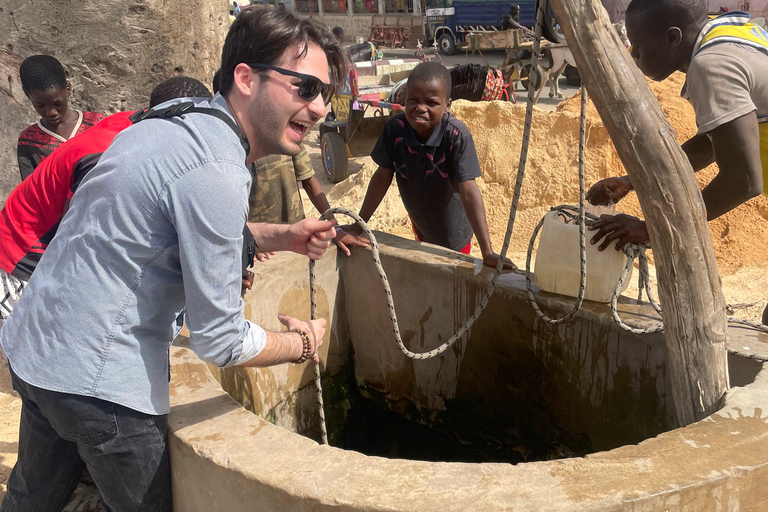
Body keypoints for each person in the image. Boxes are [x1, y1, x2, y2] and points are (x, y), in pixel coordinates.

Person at [0, 7, 346, 511]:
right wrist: (302, 343)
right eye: (306, 88)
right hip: (99, 384)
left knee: (31, 498)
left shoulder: (168, 121)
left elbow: (161, 229)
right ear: (246, 78)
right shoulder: (219, 169)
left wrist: (284, 235)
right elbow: (220, 339)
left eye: (325, 94)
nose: (317, 109)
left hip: (36, 347)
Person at [585, 1, 768, 323]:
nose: (634, 55)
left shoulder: (711, 65)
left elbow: (743, 180)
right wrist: (632, 181)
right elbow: (715, 142)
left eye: (638, 45)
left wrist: (654, 229)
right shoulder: (729, 31)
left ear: (672, 37)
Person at [0, 76, 213, 333]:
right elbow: (78, 234)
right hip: (23, 257)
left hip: (52, 245)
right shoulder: (106, 156)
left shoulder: (138, 120)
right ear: (169, 120)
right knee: (28, 346)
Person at [340, 62, 515, 270]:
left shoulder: (456, 136)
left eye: (431, 103)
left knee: (450, 279)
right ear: (404, 98)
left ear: (447, 105)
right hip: (421, 225)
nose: (421, 108)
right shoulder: (395, 130)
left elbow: (469, 192)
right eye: (413, 100)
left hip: (454, 236)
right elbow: (381, 178)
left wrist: (487, 253)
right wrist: (358, 226)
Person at [212, 68, 365, 257]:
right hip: (262, 247)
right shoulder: (224, 150)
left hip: (295, 235)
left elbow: (310, 182)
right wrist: (248, 240)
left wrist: (335, 229)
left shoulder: (284, 133)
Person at [17, 55, 104, 181]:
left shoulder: (97, 124)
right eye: (40, 105)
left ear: (68, 88)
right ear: (27, 94)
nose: (51, 112)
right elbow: (30, 188)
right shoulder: (28, 141)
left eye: (57, 103)